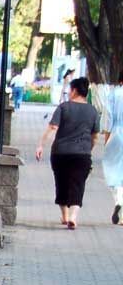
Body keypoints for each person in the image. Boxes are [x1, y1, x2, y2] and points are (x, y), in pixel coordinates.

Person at [35, 77, 101, 230]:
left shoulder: (64, 107)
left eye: (70, 90)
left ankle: (64, 215)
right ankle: (73, 217)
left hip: (60, 153)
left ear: (75, 91)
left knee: (62, 182)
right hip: (82, 155)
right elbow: (95, 136)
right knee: (78, 184)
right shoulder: (93, 111)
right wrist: (89, 149)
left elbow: (53, 128)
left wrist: (41, 145)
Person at [102, 71, 123, 225]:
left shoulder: (114, 94)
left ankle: (119, 200)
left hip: (117, 134)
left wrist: (106, 140)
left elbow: (108, 118)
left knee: (113, 171)